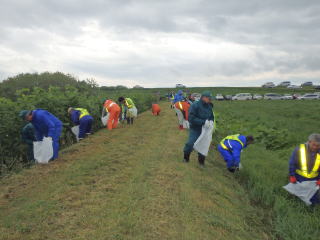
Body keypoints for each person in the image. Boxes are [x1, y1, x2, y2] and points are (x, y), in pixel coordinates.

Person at [183, 91, 214, 166]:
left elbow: (211, 117)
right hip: (195, 128)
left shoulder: (209, 106)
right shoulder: (195, 105)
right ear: (203, 97)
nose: (210, 100)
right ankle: (186, 158)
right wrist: (203, 122)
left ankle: (201, 162)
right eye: (209, 98)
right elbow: (191, 118)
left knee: (204, 145)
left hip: (205, 129)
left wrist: (211, 122)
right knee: (190, 143)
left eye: (210, 99)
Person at [288, 133, 320, 204]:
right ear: (309, 142)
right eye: (313, 145)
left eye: (318, 146)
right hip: (299, 178)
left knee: (313, 200)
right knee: (296, 197)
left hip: (314, 181)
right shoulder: (299, 149)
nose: (315, 147)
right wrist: (292, 175)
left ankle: (311, 211)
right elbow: (292, 163)